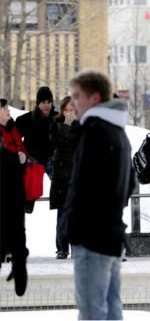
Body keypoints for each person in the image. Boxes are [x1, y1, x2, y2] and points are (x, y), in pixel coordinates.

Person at [63, 70, 135, 319]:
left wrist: (72, 227)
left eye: (76, 96)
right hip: (111, 234)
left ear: (94, 98)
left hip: (92, 237)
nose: (72, 102)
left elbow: (82, 187)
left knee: (93, 312)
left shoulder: (95, 131)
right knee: (111, 308)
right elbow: (128, 185)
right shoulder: (118, 132)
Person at [0, 98, 29, 296]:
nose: (7, 110)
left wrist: (23, 157)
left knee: (17, 227)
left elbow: (22, 149)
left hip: (15, 186)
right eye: (3, 107)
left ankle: (17, 261)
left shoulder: (13, 128)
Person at [16, 86, 56, 213]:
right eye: (43, 102)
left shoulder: (57, 118)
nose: (46, 105)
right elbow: (14, 138)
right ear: (38, 103)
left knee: (61, 177)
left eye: (48, 102)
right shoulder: (26, 119)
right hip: (33, 157)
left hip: (51, 157)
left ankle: (64, 201)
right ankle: (27, 202)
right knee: (31, 183)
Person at [49, 96, 79, 260]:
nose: (68, 113)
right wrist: (67, 125)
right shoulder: (56, 125)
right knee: (62, 214)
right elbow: (58, 143)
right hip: (61, 176)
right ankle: (62, 247)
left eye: (71, 110)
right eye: (66, 110)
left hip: (76, 176)